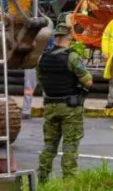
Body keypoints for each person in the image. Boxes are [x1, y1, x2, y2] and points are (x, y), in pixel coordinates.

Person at [37, 23, 93, 183]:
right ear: (69, 35)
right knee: (70, 146)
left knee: (49, 145)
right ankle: (69, 181)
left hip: (50, 106)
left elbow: (41, 80)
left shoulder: (43, 57)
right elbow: (88, 81)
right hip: (70, 107)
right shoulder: (72, 57)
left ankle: (42, 179)